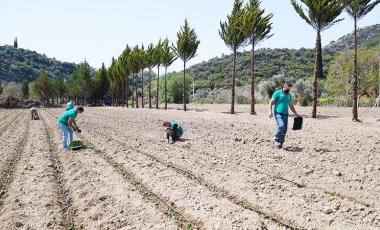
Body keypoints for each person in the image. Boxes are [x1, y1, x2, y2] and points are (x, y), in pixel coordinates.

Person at [268, 82, 299, 149]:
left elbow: (291, 105)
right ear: (284, 87)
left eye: (290, 89)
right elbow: (271, 102)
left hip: (286, 114)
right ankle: (276, 138)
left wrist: (295, 113)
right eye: (287, 88)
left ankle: (280, 144)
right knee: (281, 125)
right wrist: (270, 111)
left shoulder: (289, 95)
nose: (288, 90)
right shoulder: (277, 93)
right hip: (278, 113)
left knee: (284, 130)